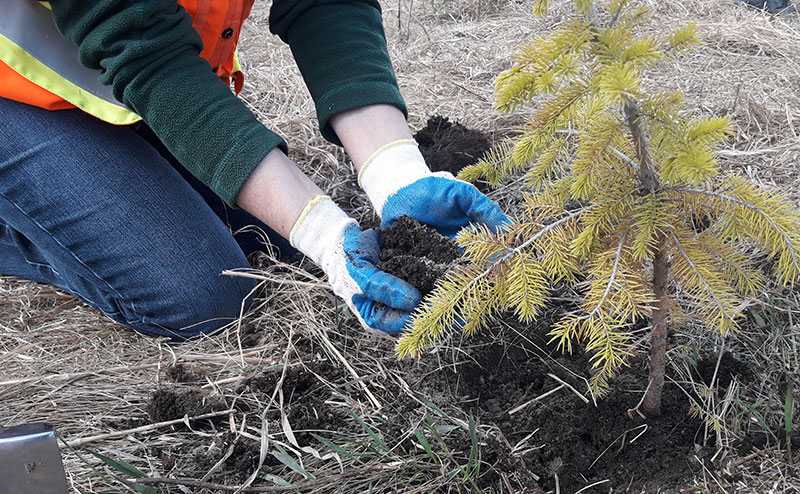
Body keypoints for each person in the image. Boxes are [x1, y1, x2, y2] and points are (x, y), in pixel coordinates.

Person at [0, 1, 507, 340]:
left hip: (111, 75)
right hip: (15, 89)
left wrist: (396, 174)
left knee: (275, 249)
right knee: (204, 296)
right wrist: (323, 232)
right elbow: (143, 51)